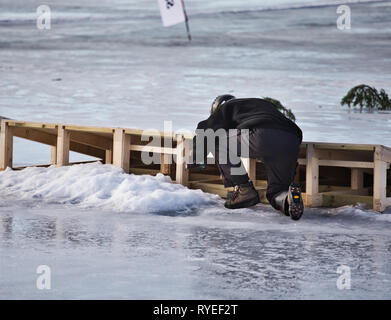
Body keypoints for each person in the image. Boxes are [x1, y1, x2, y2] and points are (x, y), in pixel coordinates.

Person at [191, 95, 304, 220]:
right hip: (291, 141)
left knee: (217, 141)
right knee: (277, 191)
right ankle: (287, 198)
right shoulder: (261, 106)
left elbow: (206, 130)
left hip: (263, 136)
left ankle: (244, 190)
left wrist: (197, 157)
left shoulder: (226, 107)